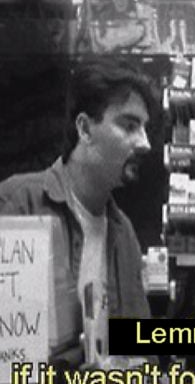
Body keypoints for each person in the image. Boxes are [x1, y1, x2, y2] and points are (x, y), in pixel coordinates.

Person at [0, 56, 158, 364]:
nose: (145, 143)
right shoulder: (18, 204)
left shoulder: (123, 232)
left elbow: (142, 349)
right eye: (129, 125)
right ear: (85, 129)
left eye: (145, 128)